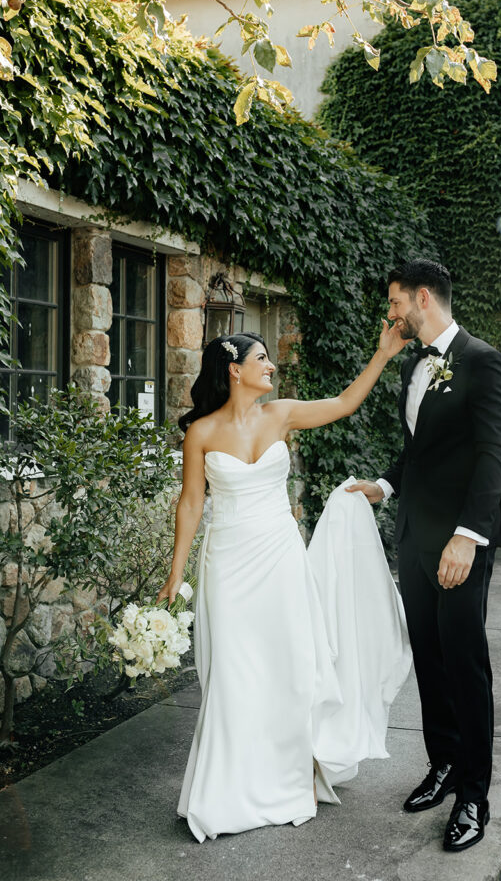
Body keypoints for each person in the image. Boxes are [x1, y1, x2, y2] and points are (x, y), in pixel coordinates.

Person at [157, 325, 411, 842]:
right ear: (235, 370)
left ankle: (291, 777)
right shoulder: (201, 433)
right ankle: (228, 790)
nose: (271, 366)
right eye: (262, 358)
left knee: (288, 667)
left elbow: (344, 402)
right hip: (228, 564)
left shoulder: (283, 414)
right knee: (234, 671)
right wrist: (176, 570)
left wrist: (382, 354)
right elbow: (190, 504)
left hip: (280, 560)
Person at [347, 259, 501, 853]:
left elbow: (494, 454)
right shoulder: (414, 364)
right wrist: (385, 487)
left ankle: (474, 794)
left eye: (395, 303)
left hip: (459, 546)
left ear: (421, 297)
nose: (390, 315)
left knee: (466, 665)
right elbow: (420, 450)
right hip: (414, 538)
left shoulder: (483, 361)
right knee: (430, 658)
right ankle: (443, 764)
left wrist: (468, 535)